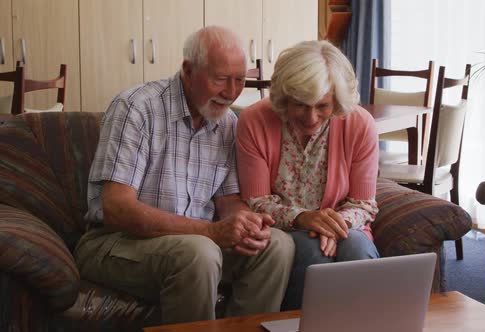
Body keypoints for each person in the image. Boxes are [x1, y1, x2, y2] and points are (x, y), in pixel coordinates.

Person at [73, 26, 295, 324]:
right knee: (199, 252)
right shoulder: (137, 108)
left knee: (277, 246)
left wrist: (245, 224)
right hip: (115, 242)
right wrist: (211, 232)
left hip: (196, 244)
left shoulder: (229, 123)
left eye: (240, 80)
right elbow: (116, 209)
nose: (231, 93)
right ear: (188, 70)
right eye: (220, 79)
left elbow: (228, 200)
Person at [236, 40, 380, 310]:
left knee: (358, 250)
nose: (311, 117)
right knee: (312, 253)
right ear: (284, 97)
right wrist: (304, 218)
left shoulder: (360, 124)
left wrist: (332, 225)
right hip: (284, 229)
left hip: (347, 228)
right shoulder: (254, 121)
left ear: (336, 101)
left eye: (322, 106)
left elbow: (363, 203)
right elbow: (255, 201)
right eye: (300, 105)